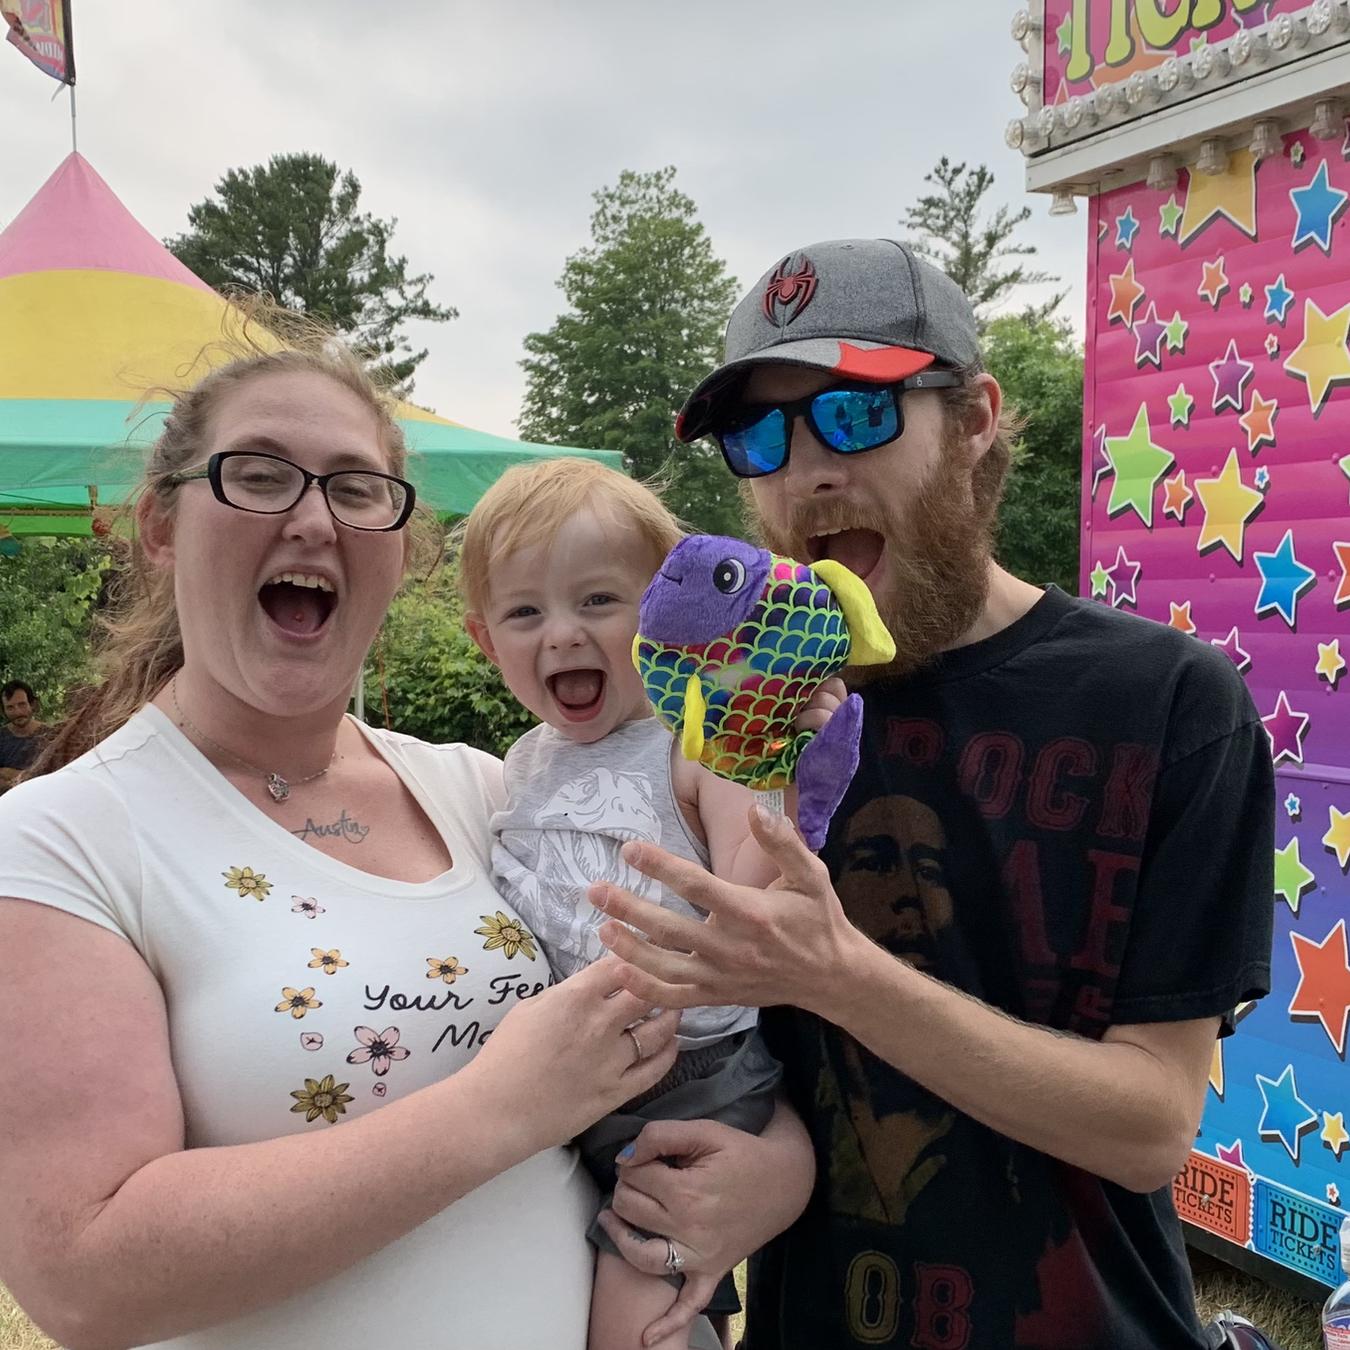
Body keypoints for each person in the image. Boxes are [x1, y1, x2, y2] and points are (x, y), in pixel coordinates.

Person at [0, 321, 812, 1350]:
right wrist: (499, 1109)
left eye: (354, 489)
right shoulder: (60, 842)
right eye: (258, 475)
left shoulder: (486, 793)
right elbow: (82, 1277)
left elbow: (716, 1034)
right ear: (159, 525)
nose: (311, 519)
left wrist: (777, 1170)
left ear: (396, 550)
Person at [587, 238, 1276, 1349]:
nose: (807, 470)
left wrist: (842, 976)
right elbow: (719, 1057)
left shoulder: (1167, 703)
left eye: (857, 413)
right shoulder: (742, 718)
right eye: (760, 436)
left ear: (977, 418)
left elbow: (1153, 1123)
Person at [458, 458, 814, 1350]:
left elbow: (752, 881)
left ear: (664, 613)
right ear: (483, 639)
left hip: (686, 1078)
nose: (563, 634)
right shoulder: (523, 763)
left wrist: (786, 775)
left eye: (598, 601)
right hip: (570, 1075)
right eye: (526, 612)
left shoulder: (695, 740)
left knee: (633, 1297)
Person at [0, 679, 46, 790]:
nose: (18, 712)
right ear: (3, 711)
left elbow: (53, 777)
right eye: (10, 707)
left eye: (22, 705)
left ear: (32, 704)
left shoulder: (51, 735)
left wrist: (7, 772)